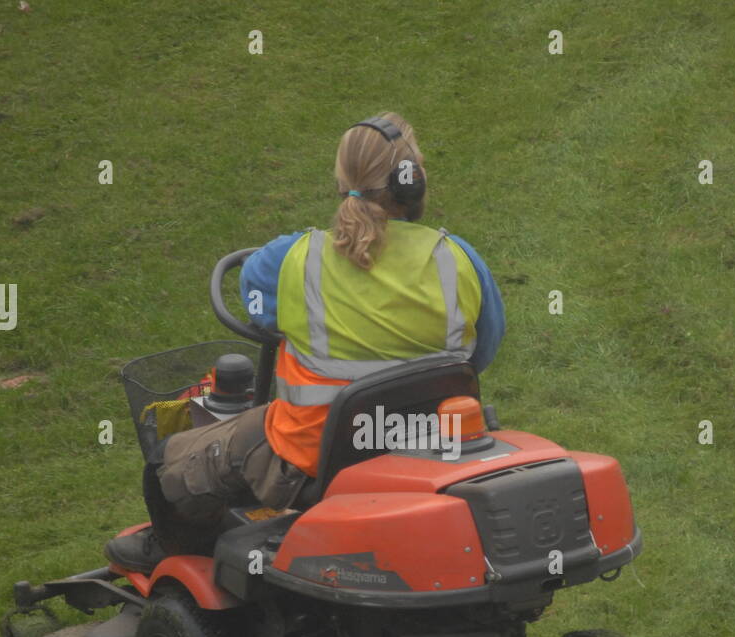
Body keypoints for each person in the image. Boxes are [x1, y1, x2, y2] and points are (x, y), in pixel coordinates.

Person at [104, 111, 506, 573]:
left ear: (342, 182)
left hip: (311, 458)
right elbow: (483, 352)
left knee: (164, 463)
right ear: (413, 183)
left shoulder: (291, 260)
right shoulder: (458, 259)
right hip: (433, 445)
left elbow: (260, 310)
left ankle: (176, 558)